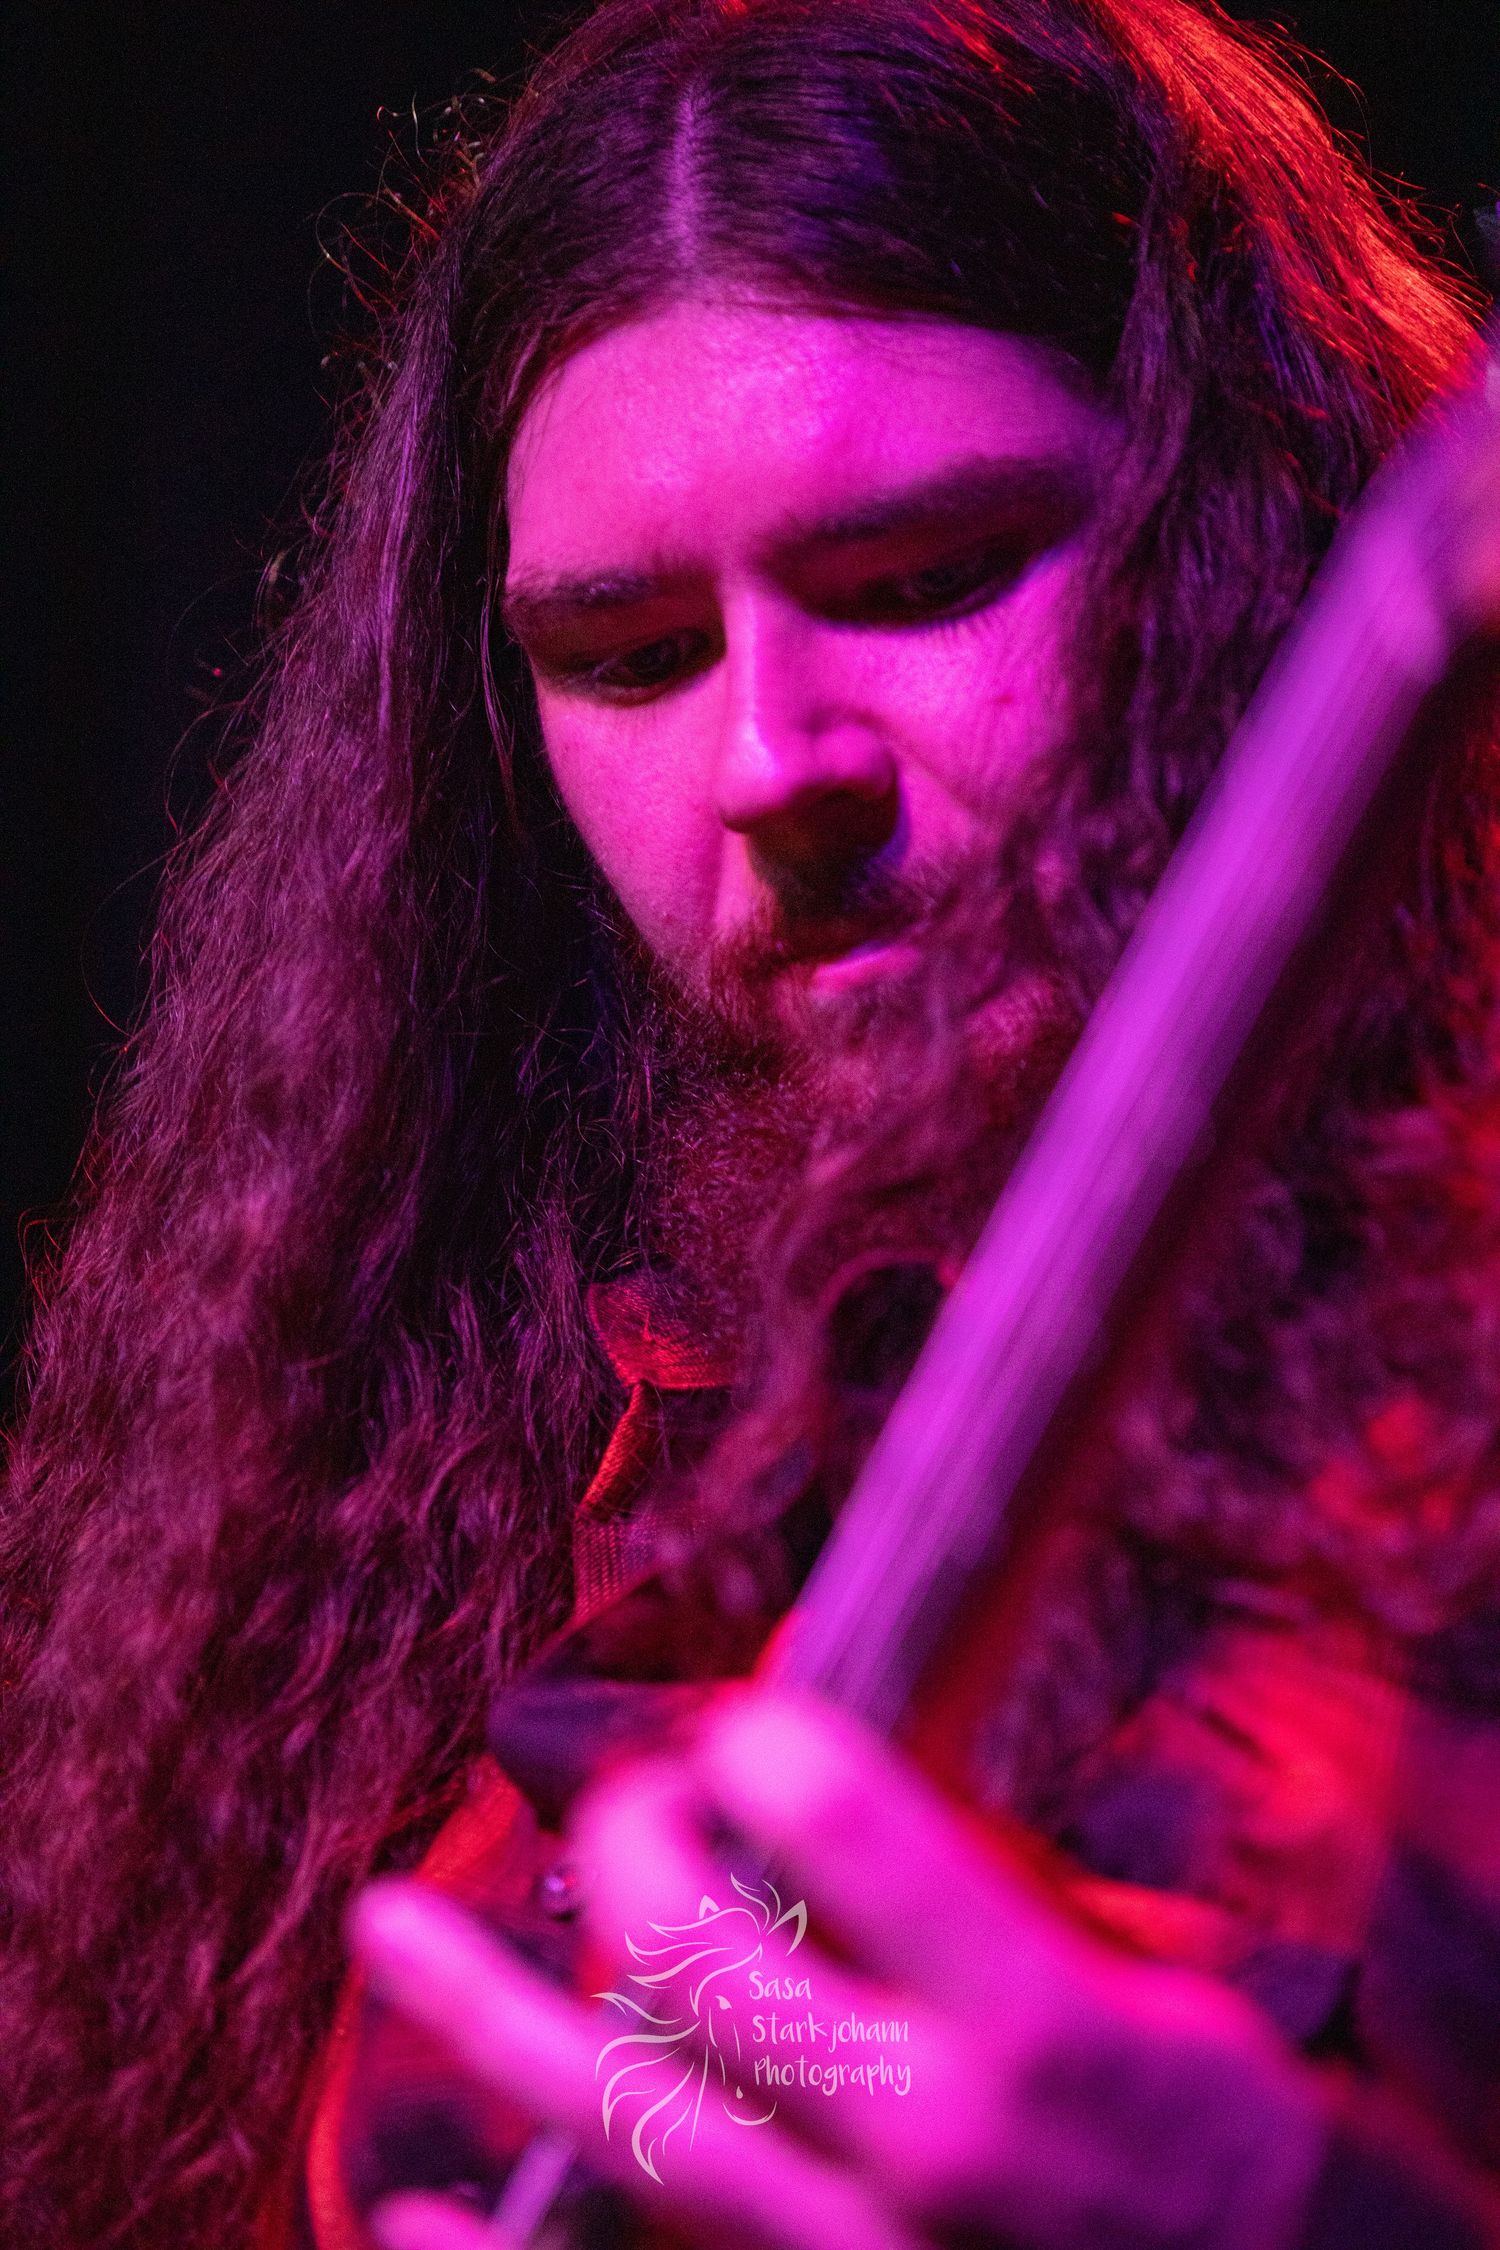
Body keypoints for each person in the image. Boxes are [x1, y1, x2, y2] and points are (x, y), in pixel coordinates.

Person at [2, 0, 1498, 2245]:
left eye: (925, 581)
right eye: (627, 654)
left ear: (1244, 531)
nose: (774, 760)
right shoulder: (456, 1482)